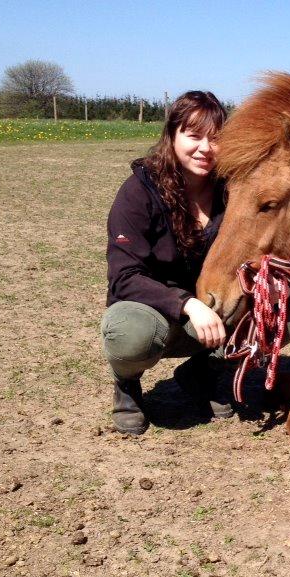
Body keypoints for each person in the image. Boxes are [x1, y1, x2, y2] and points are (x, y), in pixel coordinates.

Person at [100, 91, 235, 435]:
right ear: (172, 136)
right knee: (131, 335)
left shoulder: (232, 192)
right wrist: (187, 303)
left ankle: (201, 375)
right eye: (194, 135)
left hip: (207, 311)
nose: (206, 147)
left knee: (279, 312)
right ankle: (127, 386)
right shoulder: (138, 192)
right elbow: (124, 276)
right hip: (149, 308)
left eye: (216, 138)